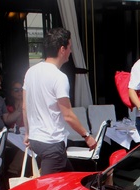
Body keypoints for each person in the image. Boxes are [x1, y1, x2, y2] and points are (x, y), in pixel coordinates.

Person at [23, 27, 96, 175]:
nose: (70, 51)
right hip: (51, 143)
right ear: (62, 49)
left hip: (36, 139)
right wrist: (87, 136)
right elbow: (67, 114)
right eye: (69, 47)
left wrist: (27, 132)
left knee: (69, 179)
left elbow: (24, 106)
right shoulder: (59, 77)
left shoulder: (31, 72)